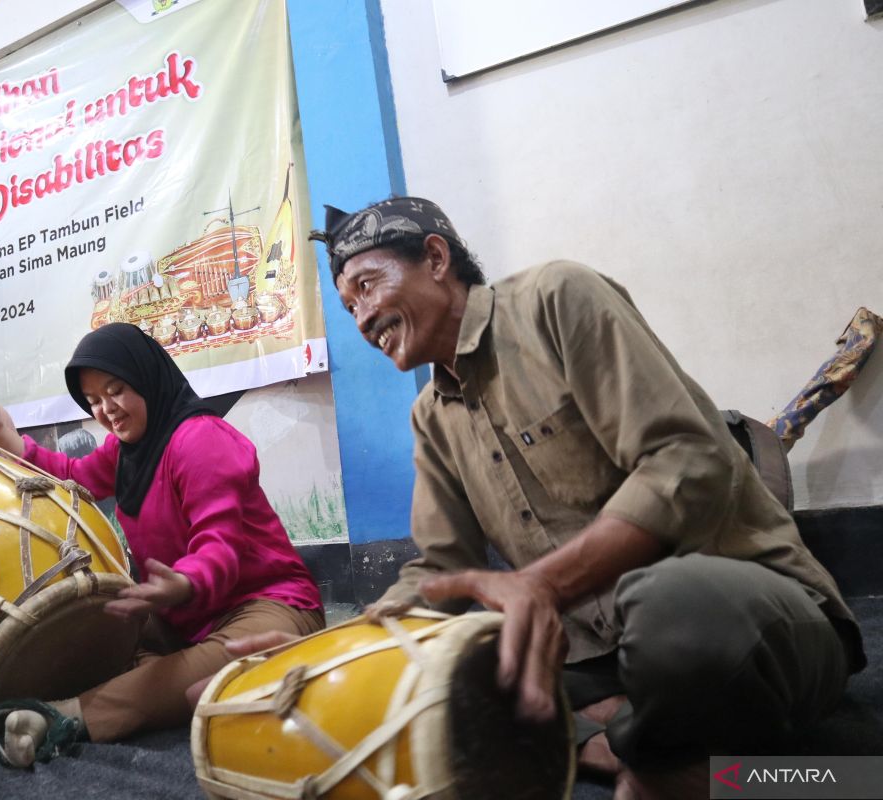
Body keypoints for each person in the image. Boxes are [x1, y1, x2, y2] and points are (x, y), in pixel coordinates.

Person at [309, 197, 863, 798]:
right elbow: (443, 569)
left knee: (672, 608)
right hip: (597, 659)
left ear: (436, 258)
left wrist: (542, 585)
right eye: (349, 306)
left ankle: (655, 752)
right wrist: (328, 657)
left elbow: (686, 458)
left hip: (745, 610)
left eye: (367, 287)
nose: (361, 318)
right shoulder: (431, 419)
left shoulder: (555, 299)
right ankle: (680, 765)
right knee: (441, 693)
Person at [0, 322, 324, 765]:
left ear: (146, 377)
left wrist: (182, 583)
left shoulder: (201, 440)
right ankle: (160, 688)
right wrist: (6, 440)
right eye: (94, 402)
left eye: (116, 390)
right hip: (182, 614)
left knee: (192, 671)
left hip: (266, 605)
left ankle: (64, 716)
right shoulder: (126, 450)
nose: (107, 409)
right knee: (98, 624)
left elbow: (219, 545)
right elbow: (74, 476)